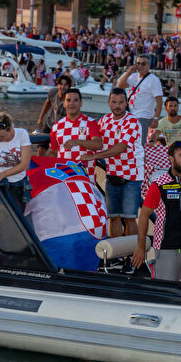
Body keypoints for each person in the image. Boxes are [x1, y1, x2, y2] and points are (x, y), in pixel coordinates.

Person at [132, 141, 181, 280]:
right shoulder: (159, 184)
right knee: (166, 291)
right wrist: (141, 247)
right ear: (171, 158)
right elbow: (144, 216)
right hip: (166, 248)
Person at [85, 88, 144, 239]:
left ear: (126, 103)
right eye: (114, 102)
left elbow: (121, 147)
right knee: (113, 217)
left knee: (130, 218)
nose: (117, 105)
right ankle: (118, 253)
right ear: (109, 103)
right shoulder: (104, 121)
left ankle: (132, 257)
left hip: (131, 177)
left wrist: (95, 156)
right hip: (112, 175)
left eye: (121, 102)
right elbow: (95, 141)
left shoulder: (132, 122)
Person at [47, 89, 102, 182]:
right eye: (68, 100)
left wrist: (77, 141)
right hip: (64, 178)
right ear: (64, 103)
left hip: (86, 177)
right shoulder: (56, 126)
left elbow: (98, 144)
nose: (71, 103)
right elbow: (55, 152)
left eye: (75, 100)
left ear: (80, 103)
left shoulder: (90, 122)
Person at [117, 56, 163, 142]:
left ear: (148, 65)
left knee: (138, 145)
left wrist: (155, 118)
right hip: (129, 116)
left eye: (143, 64)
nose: (140, 66)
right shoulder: (133, 76)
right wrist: (129, 72)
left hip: (143, 117)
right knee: (125, 143)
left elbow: (159, 101)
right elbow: (120, 86)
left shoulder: (153, 80)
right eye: (138, 63)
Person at [36, 74, 72, 156]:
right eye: (61, 84)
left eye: (65, 85)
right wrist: (40, 118)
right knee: (41, 149)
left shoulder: (70, 99)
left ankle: (48, 166)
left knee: (55, 152)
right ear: (58, 85)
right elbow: (48, 103)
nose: (63, 87)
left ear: (69, 87)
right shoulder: (53, 92)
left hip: (62, 129)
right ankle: (38, 167)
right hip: (49, 124)